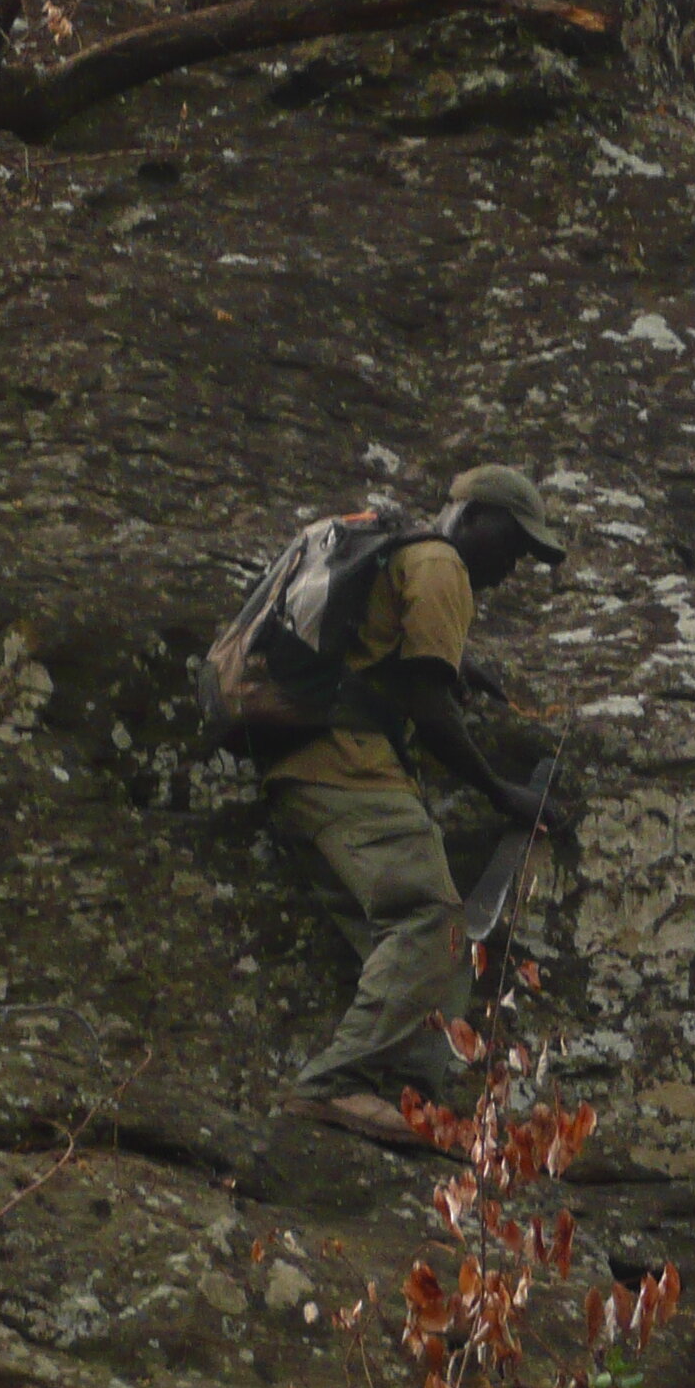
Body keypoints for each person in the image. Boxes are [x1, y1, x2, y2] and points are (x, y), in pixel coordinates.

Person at [265, 465, 565, 1146]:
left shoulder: (399, 555)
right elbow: (427, 706)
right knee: (432, 920)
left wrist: (457, 662)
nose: (514, 567)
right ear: (475, 518)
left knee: (406, 942)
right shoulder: (441, 563)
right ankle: (338, 1085)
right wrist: (500, 792)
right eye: (514, 546)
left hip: (299, 768)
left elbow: (379, 653)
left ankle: (402, 1097)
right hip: (351, 769)